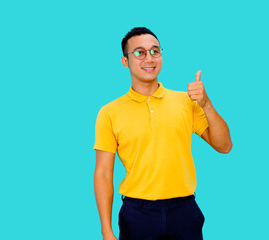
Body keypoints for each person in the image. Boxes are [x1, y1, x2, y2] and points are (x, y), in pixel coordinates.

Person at [94, 27, 232, 240]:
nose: (149, 58)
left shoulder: (186, 102)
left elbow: (224, 146)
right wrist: (106, 230)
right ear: (125, 61)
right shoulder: (110, 112)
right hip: (137, 213)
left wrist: (206, 104)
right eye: (139, 53)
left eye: (154, 51)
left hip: (184, 210)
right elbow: (103, 173)